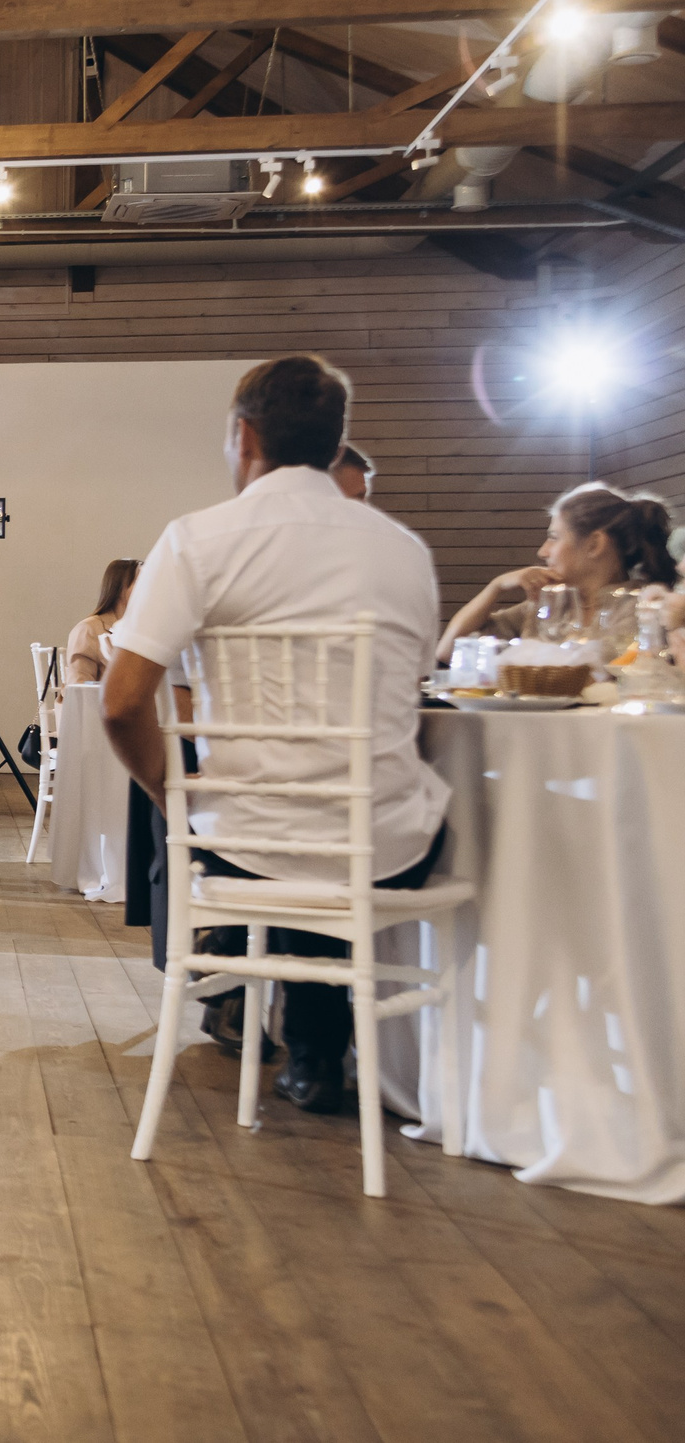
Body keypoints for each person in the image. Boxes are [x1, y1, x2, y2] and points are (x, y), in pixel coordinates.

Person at [101, 353, 450, 1115]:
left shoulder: (197, 539)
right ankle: (368, 1051)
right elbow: (419, 689)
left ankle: (280, 1027)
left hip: (247, 843)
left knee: (277, 843)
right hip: (387, 849)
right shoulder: (405, 550)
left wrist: (173, 801)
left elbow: (122, 702)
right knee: (379, 826)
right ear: (335, 444)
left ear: (244, 434)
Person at [438, 482, 678, 651]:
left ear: (594, 544)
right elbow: (449, 650)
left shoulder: (645, 607)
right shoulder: (545, 605)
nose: (542, 552)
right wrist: (496, 586)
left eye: (554, 537)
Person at [61, 558, 141, 686]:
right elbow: (80, 686)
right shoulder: (88, 629)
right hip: (99, 705)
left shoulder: (142, 630)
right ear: (120, 588)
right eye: (141, 582)